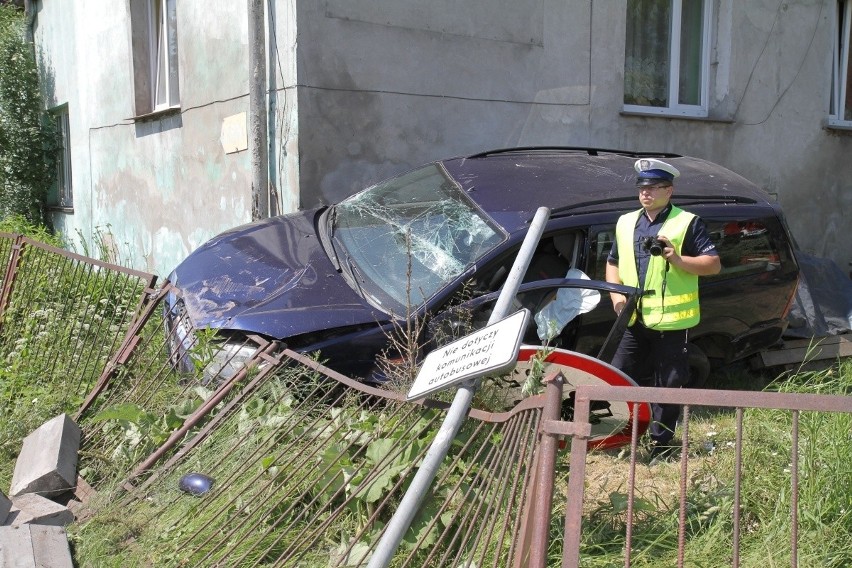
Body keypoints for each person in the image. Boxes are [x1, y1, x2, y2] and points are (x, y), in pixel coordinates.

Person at [605, 158, 721, 462]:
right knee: (618, 375)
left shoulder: (687, 222)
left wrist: (678, 259)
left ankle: (662, 444)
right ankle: (616, 436)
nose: (645, 192)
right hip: (633, 316)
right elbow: (613, 263)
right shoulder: (625, 222)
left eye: (653, 187)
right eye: (642, 187)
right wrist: (617, 299)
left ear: (669, 191)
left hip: (672, 321)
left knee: (667, 383)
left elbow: (713, 265)